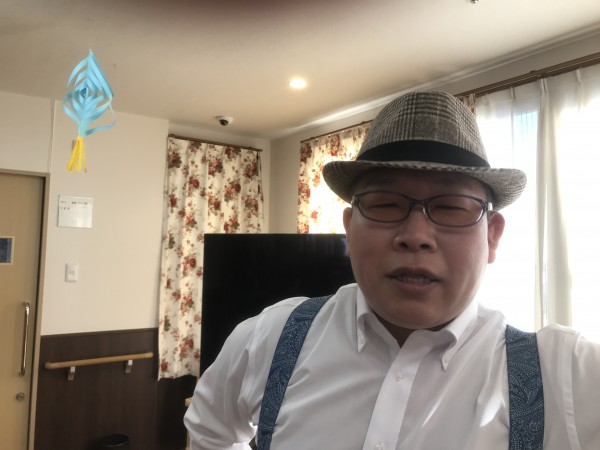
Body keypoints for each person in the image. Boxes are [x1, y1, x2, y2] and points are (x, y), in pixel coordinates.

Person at [184, 91, 600, 449]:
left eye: (450, 207)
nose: (415, 236)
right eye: (385, 204)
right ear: (349, 230)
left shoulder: (566, 376)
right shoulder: (270, 338)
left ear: (492, 236)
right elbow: (209, 429)